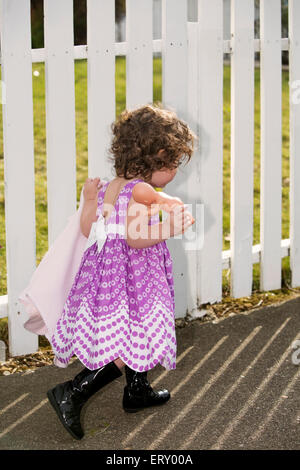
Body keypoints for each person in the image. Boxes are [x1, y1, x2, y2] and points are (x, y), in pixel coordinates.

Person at [46, 103, 197, 440]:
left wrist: (87, 201)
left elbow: (89, 229)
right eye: (173, 165)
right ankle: (73, 391)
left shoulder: (110, 187)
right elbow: (136, 238)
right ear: (157, 157)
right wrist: (170, 227)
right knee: (133, 337)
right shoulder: (141, 192)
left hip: (106, 277)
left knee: (132, 330)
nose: (174, 172)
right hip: (135, 276)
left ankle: (137, 389)